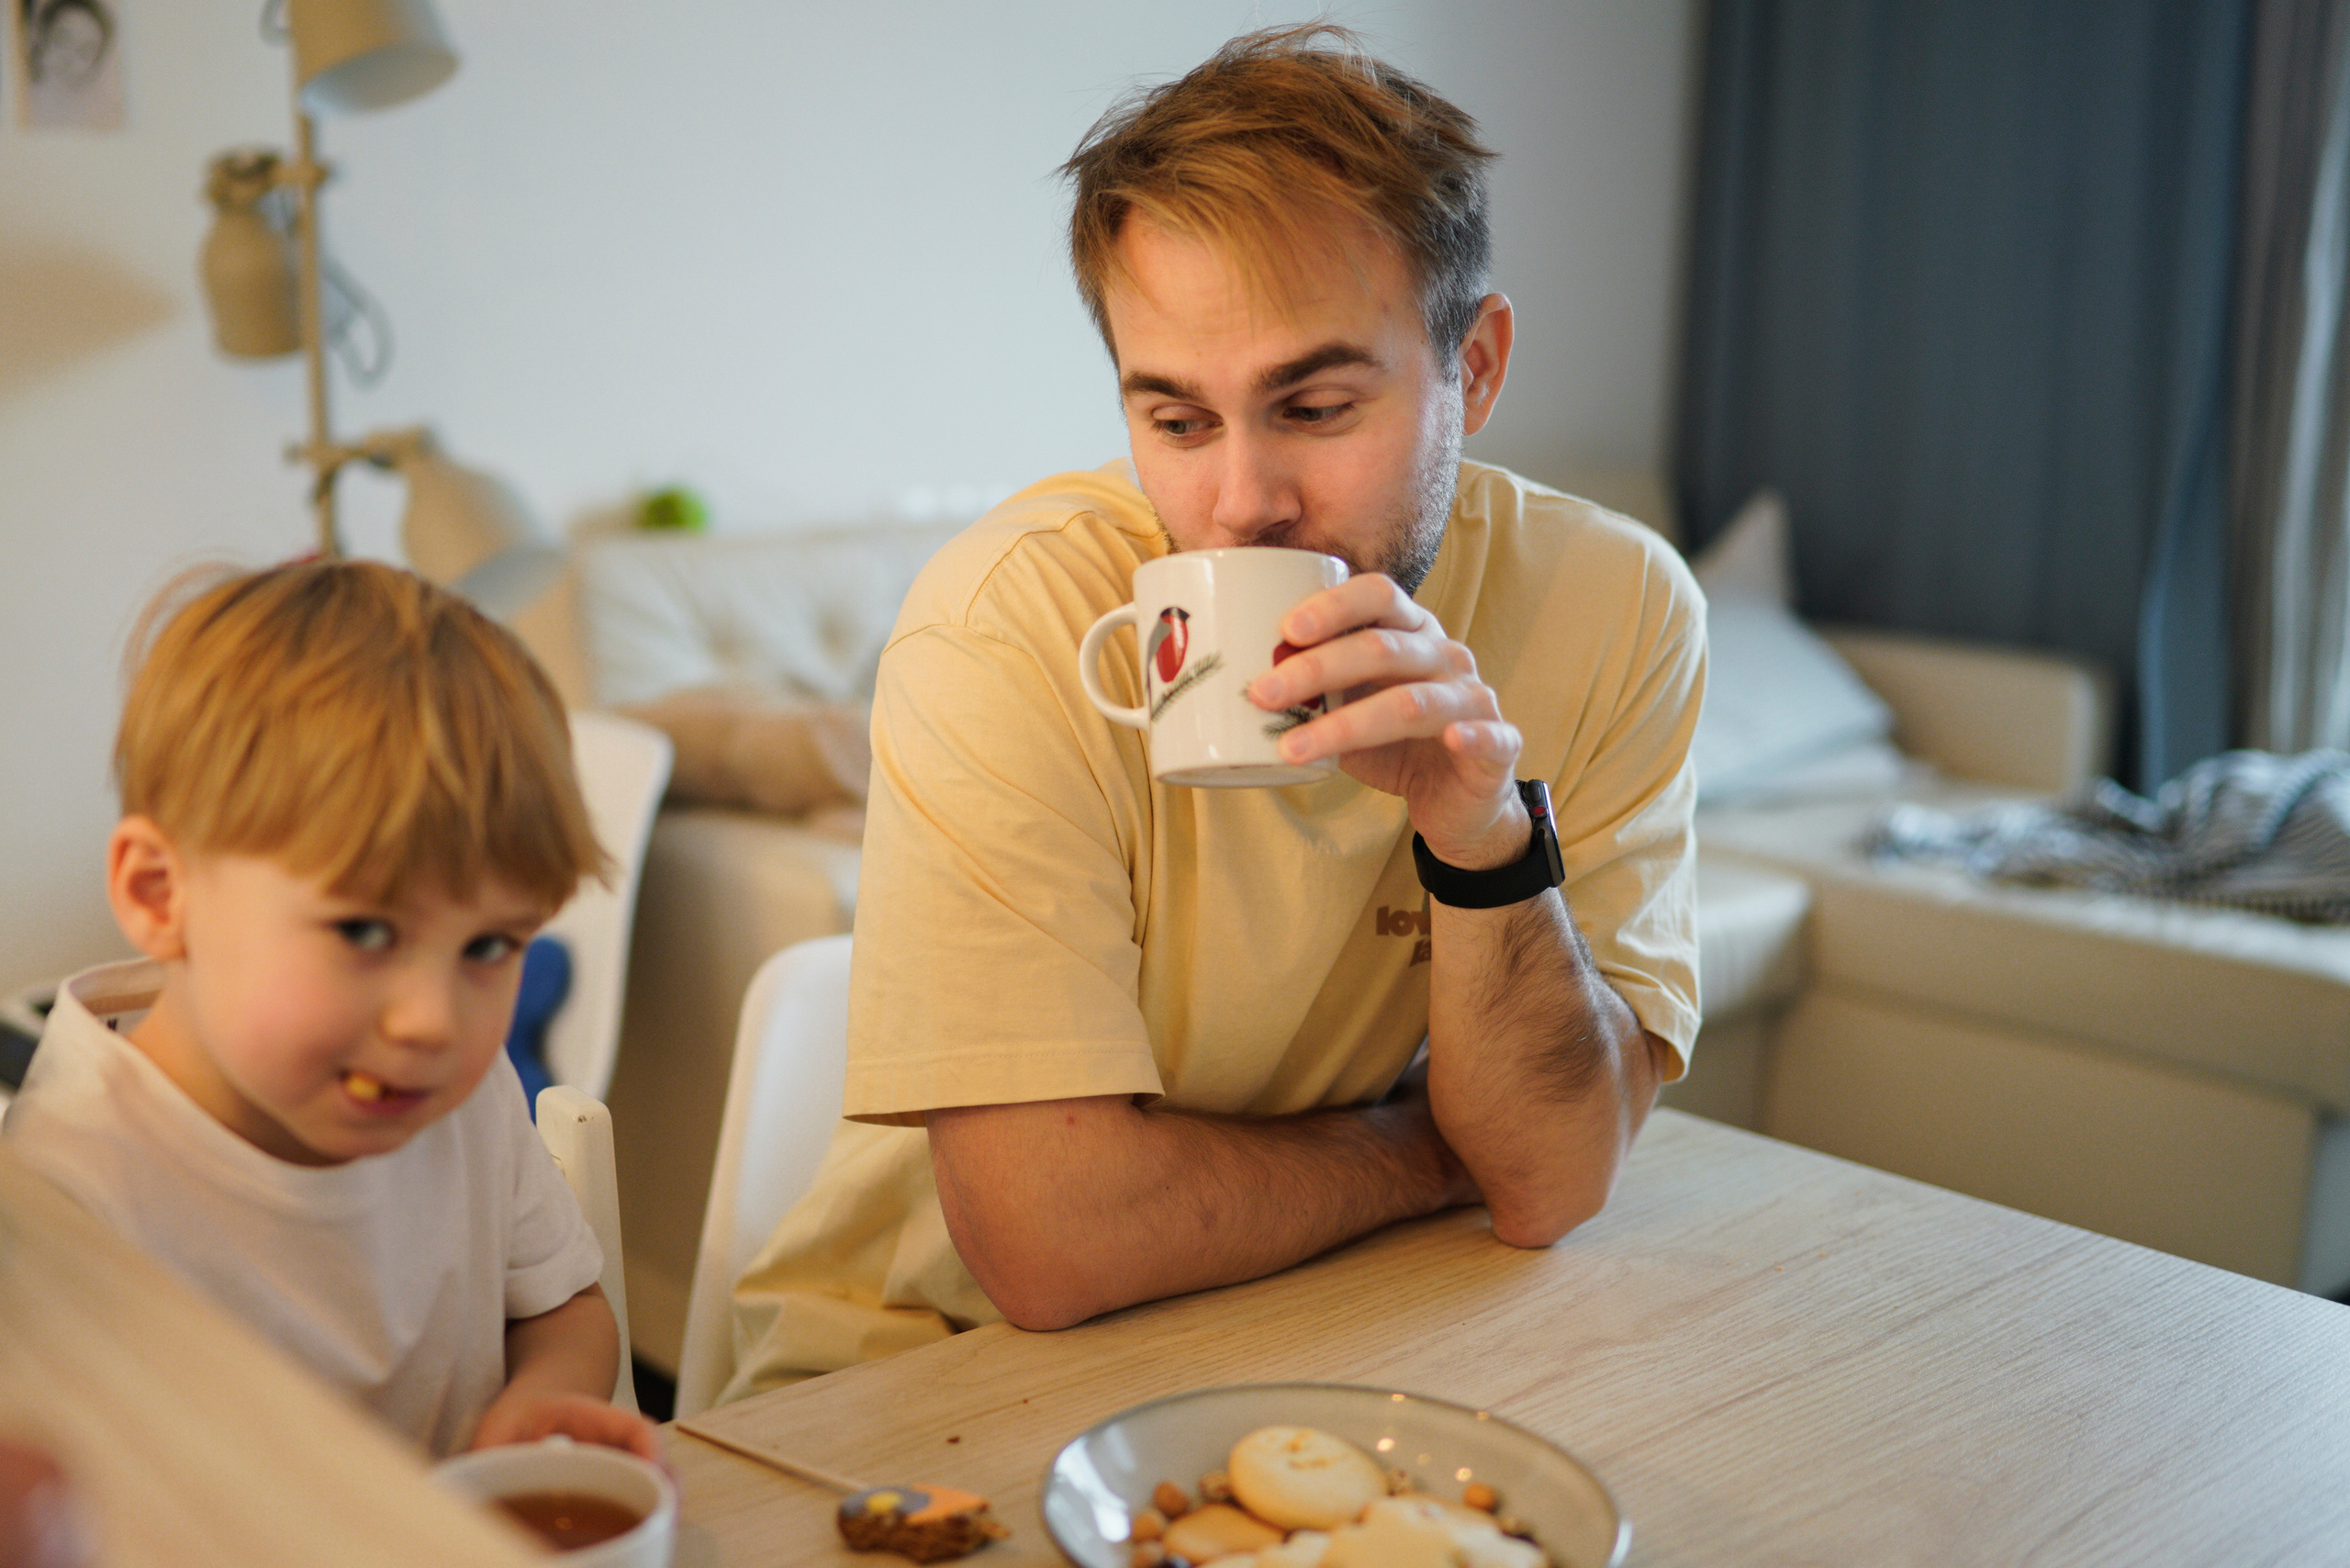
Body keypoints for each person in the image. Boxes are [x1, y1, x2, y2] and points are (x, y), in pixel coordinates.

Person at [724, 23, 1703, 1395]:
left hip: (1331, 1329)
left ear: (1474, 368)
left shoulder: (1618, 608)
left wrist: (1483, 842)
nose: (1242, 505)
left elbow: (1549, 1179)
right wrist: (1426, 1152)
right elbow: (1050, 1245)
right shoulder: (1007, 622)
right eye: (1178, 422)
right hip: (914, 1374)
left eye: (1315, 406)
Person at [5, 561, 662, 1462]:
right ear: (161, 894)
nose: (433, 1021)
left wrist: (538, 1405)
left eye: (488, 946)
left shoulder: (463, 1094)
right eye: (365, 930)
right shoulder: (61, 1198)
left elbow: (563, 1308)